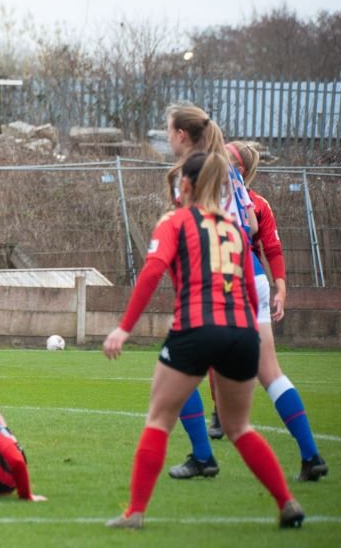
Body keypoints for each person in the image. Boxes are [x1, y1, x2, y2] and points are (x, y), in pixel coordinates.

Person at [102, 151, 303, 530]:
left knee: (159, 418)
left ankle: (135, 513)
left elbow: (151, 274)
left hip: (196, 327)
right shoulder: (232, 227)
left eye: (180, 181)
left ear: (188, 185)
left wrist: (124, 327)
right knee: (240, 427)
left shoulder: (174, 221)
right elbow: (247, 287)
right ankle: (287, 502)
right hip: (243, 332)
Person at [191, 142, 325, 482]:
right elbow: (249, 227)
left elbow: (261, 237)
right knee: (270, 373)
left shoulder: (211, 181)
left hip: (231, 276)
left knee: (183, 363)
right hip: (254, 277)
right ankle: (311, 455)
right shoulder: (238, 188)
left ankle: (204, 454)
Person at [160, 102, 260, 481]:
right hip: (240, 279)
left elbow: (183, 230)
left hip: (207, 286)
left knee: (176, 377)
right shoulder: (229, 171)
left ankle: (202, 456)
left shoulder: (187, 174)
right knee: (257, 393)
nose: (167, 137)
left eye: (169, 131)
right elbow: (248, 226)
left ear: (182, 135)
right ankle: (299, 473)